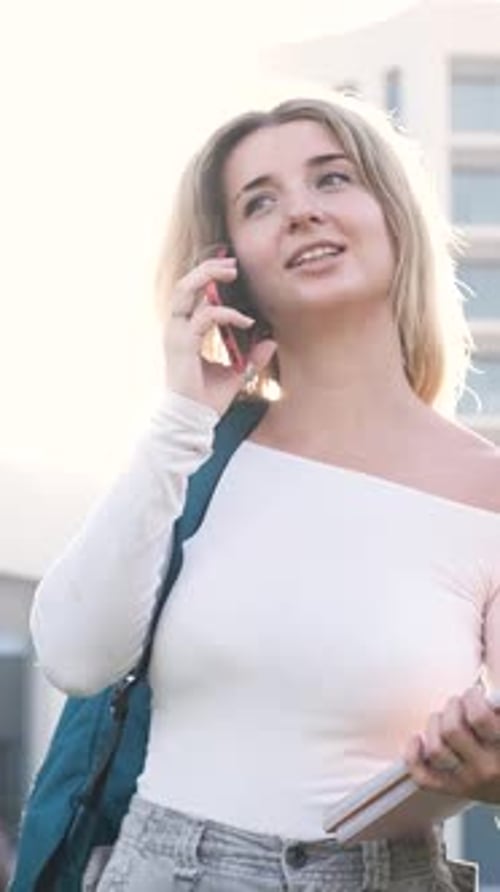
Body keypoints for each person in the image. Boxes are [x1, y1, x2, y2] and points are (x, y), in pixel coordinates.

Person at [30, 92, 500, 891]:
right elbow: (75, 656)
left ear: (391, 215)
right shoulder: (197, 453)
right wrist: (182, 410)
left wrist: (489, 778)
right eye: (260, 201)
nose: (301, 213)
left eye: (332, 179)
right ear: (228, 262)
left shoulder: (488, 493)